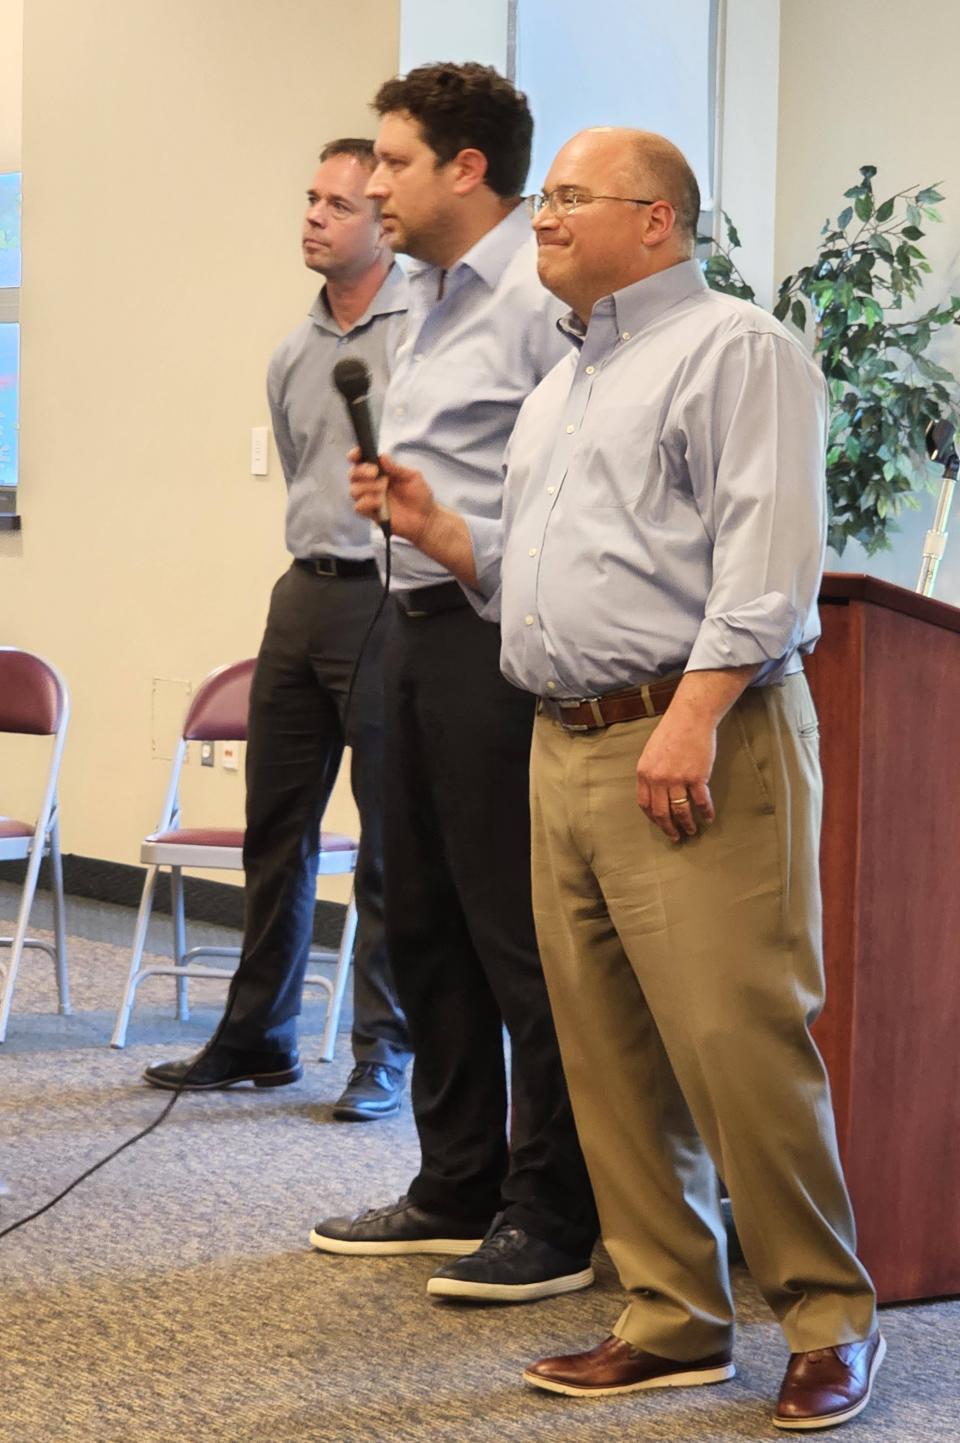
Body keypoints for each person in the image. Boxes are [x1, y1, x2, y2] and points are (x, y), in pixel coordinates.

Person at [349, 126, 883, 1431]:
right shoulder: (563, 388)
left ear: (657, 222)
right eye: (548, 199)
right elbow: (567, 571)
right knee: (603, 1052)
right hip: (563, 742)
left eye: (570, 199)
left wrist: (694, 712)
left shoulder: (735, 350)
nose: (544, 217)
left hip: (694, 737)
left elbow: (767, 560)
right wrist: (450, 538)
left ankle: (826, 1318)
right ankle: (670, 1312)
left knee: (738, 1039)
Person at [309, 64, 598, 1301]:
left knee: (515, 933)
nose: (373, 182)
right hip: (412, 624)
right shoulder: (427, 296)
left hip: (498, 636)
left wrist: (458, 535)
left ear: (464, 169)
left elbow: (588, 478)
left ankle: (555, 1212)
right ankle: (456, 1181)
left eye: (392, 161)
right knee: (416, 913)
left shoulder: (544, 294)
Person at [144, 139, 412, 1122]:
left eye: (338, 204)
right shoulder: (294, 354)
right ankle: (257, 1037)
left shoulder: (423, 334)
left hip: (390, 599)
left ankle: (383, 1053)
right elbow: (305, 467)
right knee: (276, 832)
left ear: (385, 221)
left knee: (390, 846)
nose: (314, 216)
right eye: (310, 199)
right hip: (300, 597)